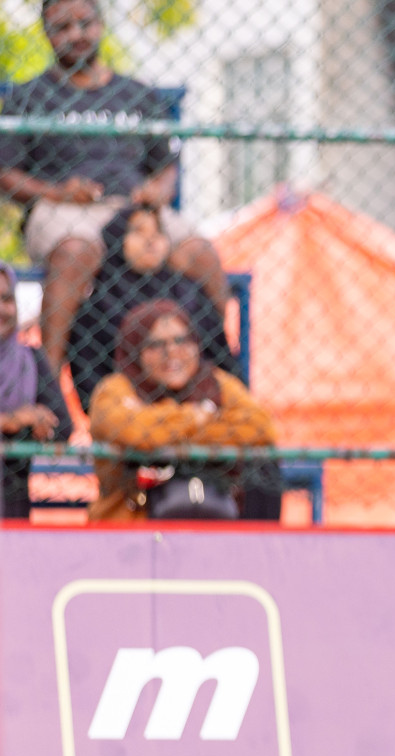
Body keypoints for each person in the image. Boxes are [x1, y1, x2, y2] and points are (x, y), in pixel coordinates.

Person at [0, 0, 228, 376]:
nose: (76, 34)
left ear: (100, 24)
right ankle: (50, 384)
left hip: (136, 212)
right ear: (47, 34)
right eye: (63, 27)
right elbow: (5, 175)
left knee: (200, 252)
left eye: (84, 23)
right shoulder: (28, 98)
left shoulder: (138, 95)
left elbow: (165, 167)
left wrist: (156, 191)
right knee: (76, 251)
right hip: (64, 209)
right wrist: (56, 193)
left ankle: (214, 375)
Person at [88, 300, 274, 521]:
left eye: (181, 340)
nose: (172, 352)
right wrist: (196, 416)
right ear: (134, 350)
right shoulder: (114, 389)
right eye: (155, 344)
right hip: (131, 526)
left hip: (213, 515)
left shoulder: (215, 383)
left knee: (266, 469)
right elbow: (136, 432)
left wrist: (168, 431)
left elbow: (261, 427)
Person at [69, 204, 237, 406]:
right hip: (128, 411)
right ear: (117, 241)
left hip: (197, 407)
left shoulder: (189, 292)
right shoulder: (99, 304)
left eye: (158, 232)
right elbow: (89, 382)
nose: (151, 240)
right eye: (138, 232)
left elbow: (221, 360)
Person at [0, 268, 68, 519]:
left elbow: (63, 429)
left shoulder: (29, 359)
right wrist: (12, 421)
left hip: (11, 510)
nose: (1, 309)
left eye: (7, 299)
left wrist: (36, 420)